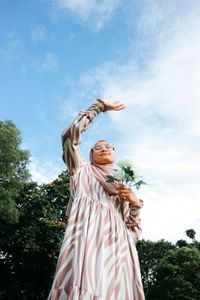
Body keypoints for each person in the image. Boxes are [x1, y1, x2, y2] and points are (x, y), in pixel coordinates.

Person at [48, 99, 145, 300]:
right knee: (83, 284)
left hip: (118, 251)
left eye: (109, 146)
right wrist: (99, 107)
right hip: (88, 237)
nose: (104, 148)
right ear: (90, 155)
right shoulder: (81, 170)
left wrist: (135, 204)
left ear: (116, 155)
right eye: (97, 147)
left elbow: (133, 233)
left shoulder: (123, 187)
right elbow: (68, 138)